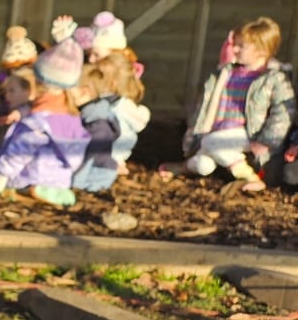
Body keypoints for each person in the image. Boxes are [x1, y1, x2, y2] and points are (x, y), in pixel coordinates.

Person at [167, 16, 295, 189]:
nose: (235, 49)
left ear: (262, 51)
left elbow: (283, 113)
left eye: (241, 46)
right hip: (218, 132)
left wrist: (267, 141)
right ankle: (219, 166)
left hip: (249, 134)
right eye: (235, 44)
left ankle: (251, 178)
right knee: (202, 164)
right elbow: (204, 107)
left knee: (210, 142)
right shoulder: (225, 74)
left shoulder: (274, 78)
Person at [0, 38, 90, 206]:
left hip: (30, 177)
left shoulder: (38, 122)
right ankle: (56, 192)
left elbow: (20, 152)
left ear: (38, 82)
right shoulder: (70, 116)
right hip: (60, 179)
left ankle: (26, 191)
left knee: (8, 189)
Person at [71, 53, 151, 193]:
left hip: (108, 150)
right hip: (120, 151)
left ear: (112, 83)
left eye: (100, 76)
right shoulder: (126, 104)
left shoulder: (108, 105)